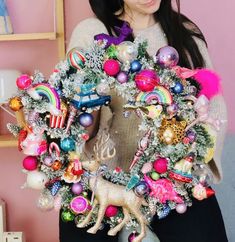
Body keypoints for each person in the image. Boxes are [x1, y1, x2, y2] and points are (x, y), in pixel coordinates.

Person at [60, 0, 228, 242]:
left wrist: (192, 167)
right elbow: (77, 112)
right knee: (81, 217)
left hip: (172, 183)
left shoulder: (184, 33)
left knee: (201, 223)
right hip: (103, 184)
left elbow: (214, 105)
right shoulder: (93, 32)